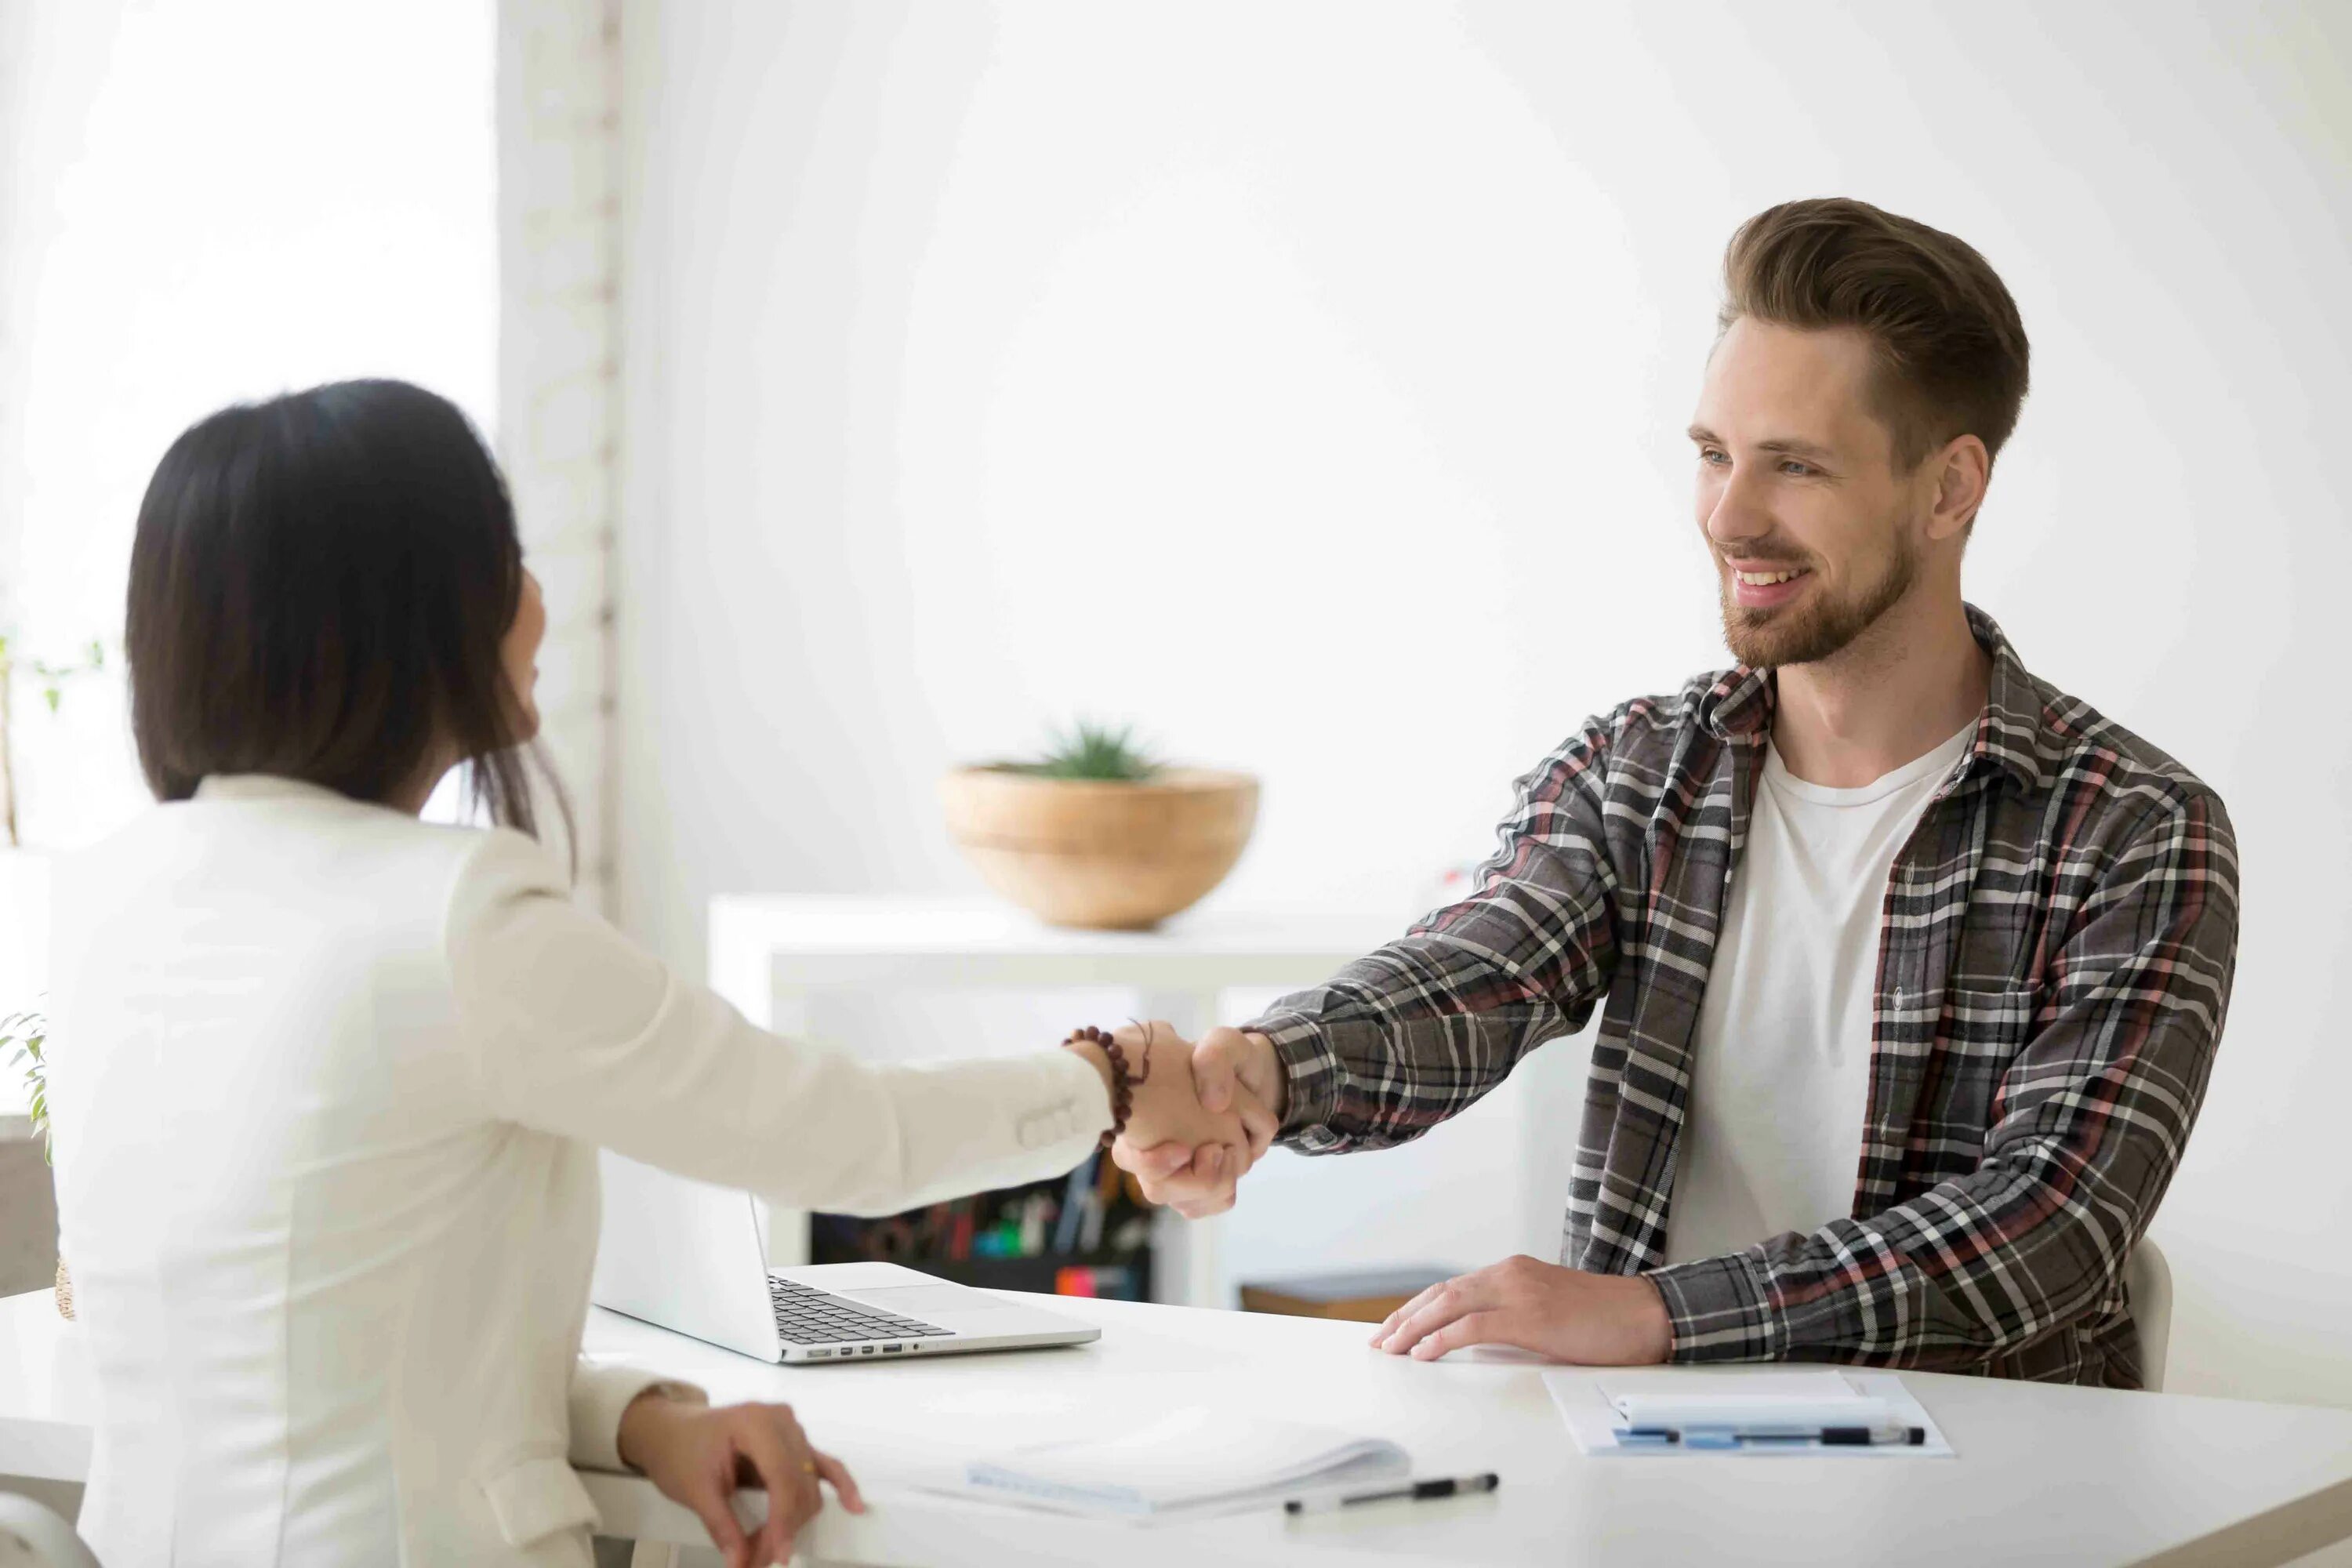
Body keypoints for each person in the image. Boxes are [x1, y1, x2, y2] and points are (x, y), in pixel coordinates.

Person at [44, 379, 1254, 1568]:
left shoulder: (105, 899)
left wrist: (644, 1419)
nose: (533, 601)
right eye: (503, 558)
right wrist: (1110, 1076)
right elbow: (842, 1134)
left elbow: (327, 1354)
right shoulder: (457, 914)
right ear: (413, 612)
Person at [1116, 197, 2239, 1388]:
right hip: (1644, 1473)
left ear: (1952, 488)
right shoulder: (1645, 769)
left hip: (1984, 1485)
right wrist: (1270, 1074)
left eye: (1795, 466)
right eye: (1714, 455)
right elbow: (1479, 969)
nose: (1728, 516)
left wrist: (1655, 1316)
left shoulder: (2137, 832)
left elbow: (2044, 1231)